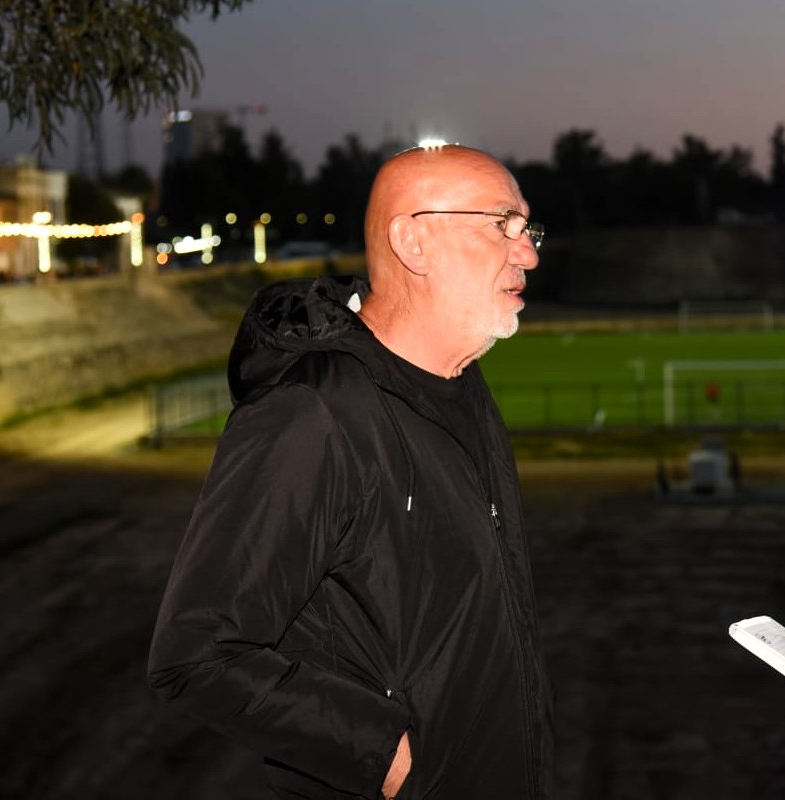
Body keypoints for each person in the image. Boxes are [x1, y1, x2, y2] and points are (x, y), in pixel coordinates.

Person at [148, 144, 554, 800]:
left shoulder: (463, 386)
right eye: (501, 224)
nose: (527, 252)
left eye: (527, 228)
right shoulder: (314, 414)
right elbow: (198, 653)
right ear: (412, 240)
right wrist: (392, 759)